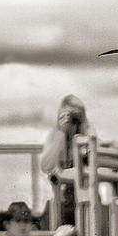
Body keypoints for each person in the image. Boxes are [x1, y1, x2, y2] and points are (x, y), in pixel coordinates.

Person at [40, 95, 94, 226]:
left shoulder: (88, 137)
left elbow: (96, 157)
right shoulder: (54, 137)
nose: (73, 122)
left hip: (86, 201)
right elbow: (46, 166)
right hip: (60, 201)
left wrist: (85, 129)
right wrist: (62, 132)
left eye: (77, 118)